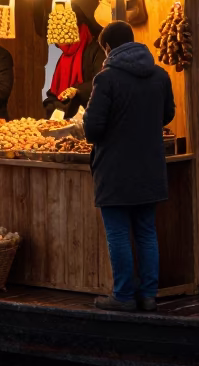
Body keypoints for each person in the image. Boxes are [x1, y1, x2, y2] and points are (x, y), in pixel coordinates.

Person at [70, 19, 175, 313]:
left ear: (106, 47)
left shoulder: (106, 79)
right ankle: (149, 296)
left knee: (118, 233)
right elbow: (167, 114)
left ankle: (124, 295)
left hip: (115, 168)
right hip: (151, 165)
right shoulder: (159, 75)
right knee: (146, 231)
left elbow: (92, 129)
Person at [44, 11, 104, 120]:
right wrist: (52, 109)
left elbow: (101, 83)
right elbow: (54, 93)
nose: (62, 38)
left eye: (65, 31)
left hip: (90, 119)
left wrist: (77, 90)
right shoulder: (63, 58)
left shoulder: (97, 51)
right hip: (64, 121)